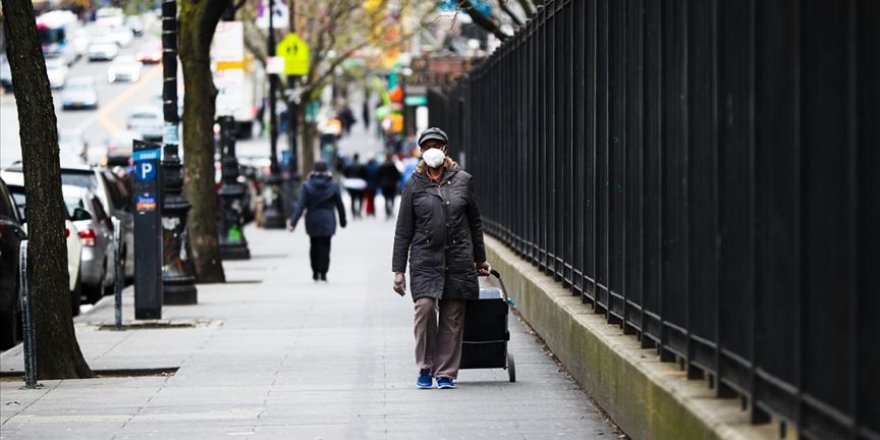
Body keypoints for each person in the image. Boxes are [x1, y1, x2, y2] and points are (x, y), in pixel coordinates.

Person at [391, 127, 492, 390]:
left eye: (437, 144)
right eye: (427, 146)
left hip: (458, 258)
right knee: (424, 309)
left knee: (453, 316)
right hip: (424, 259)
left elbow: (475, 223)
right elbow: (403, 230)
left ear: (444, 149)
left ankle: (446, 372)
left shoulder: (463, 180)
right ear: (421, 151)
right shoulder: (413, 185)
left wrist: (480, 260)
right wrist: (398, 270)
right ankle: (425, 366)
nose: (432, 149)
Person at [288, 160, 347, 282]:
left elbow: (300, 205)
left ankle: (315, 271)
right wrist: (343, 221)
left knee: (313, 245)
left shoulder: (307, 185)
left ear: (314, 171)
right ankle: (323, 272)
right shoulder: (333, 185)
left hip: (312, 218)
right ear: (326, 171)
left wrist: (293, 223)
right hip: (328, 218)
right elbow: (339, 205)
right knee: (326, 245)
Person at [377, 151, 402, 219]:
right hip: (392, 184)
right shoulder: (392, 164)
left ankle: (387, 212)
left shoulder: (382, 165)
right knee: (392, 198)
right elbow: (397, 174)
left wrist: (379, 182)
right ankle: (391, 211)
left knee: (386, 199)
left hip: (384, 184)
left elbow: (379, 175)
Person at [342, 153, 367, 219]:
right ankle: (359, 212)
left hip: (351, 184)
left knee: (352, 199)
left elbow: (345, 173)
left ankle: (353, 213)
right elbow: (365, 174)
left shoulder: (349, 165)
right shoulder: (361, 165)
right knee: (360, 199)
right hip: (360, 184)